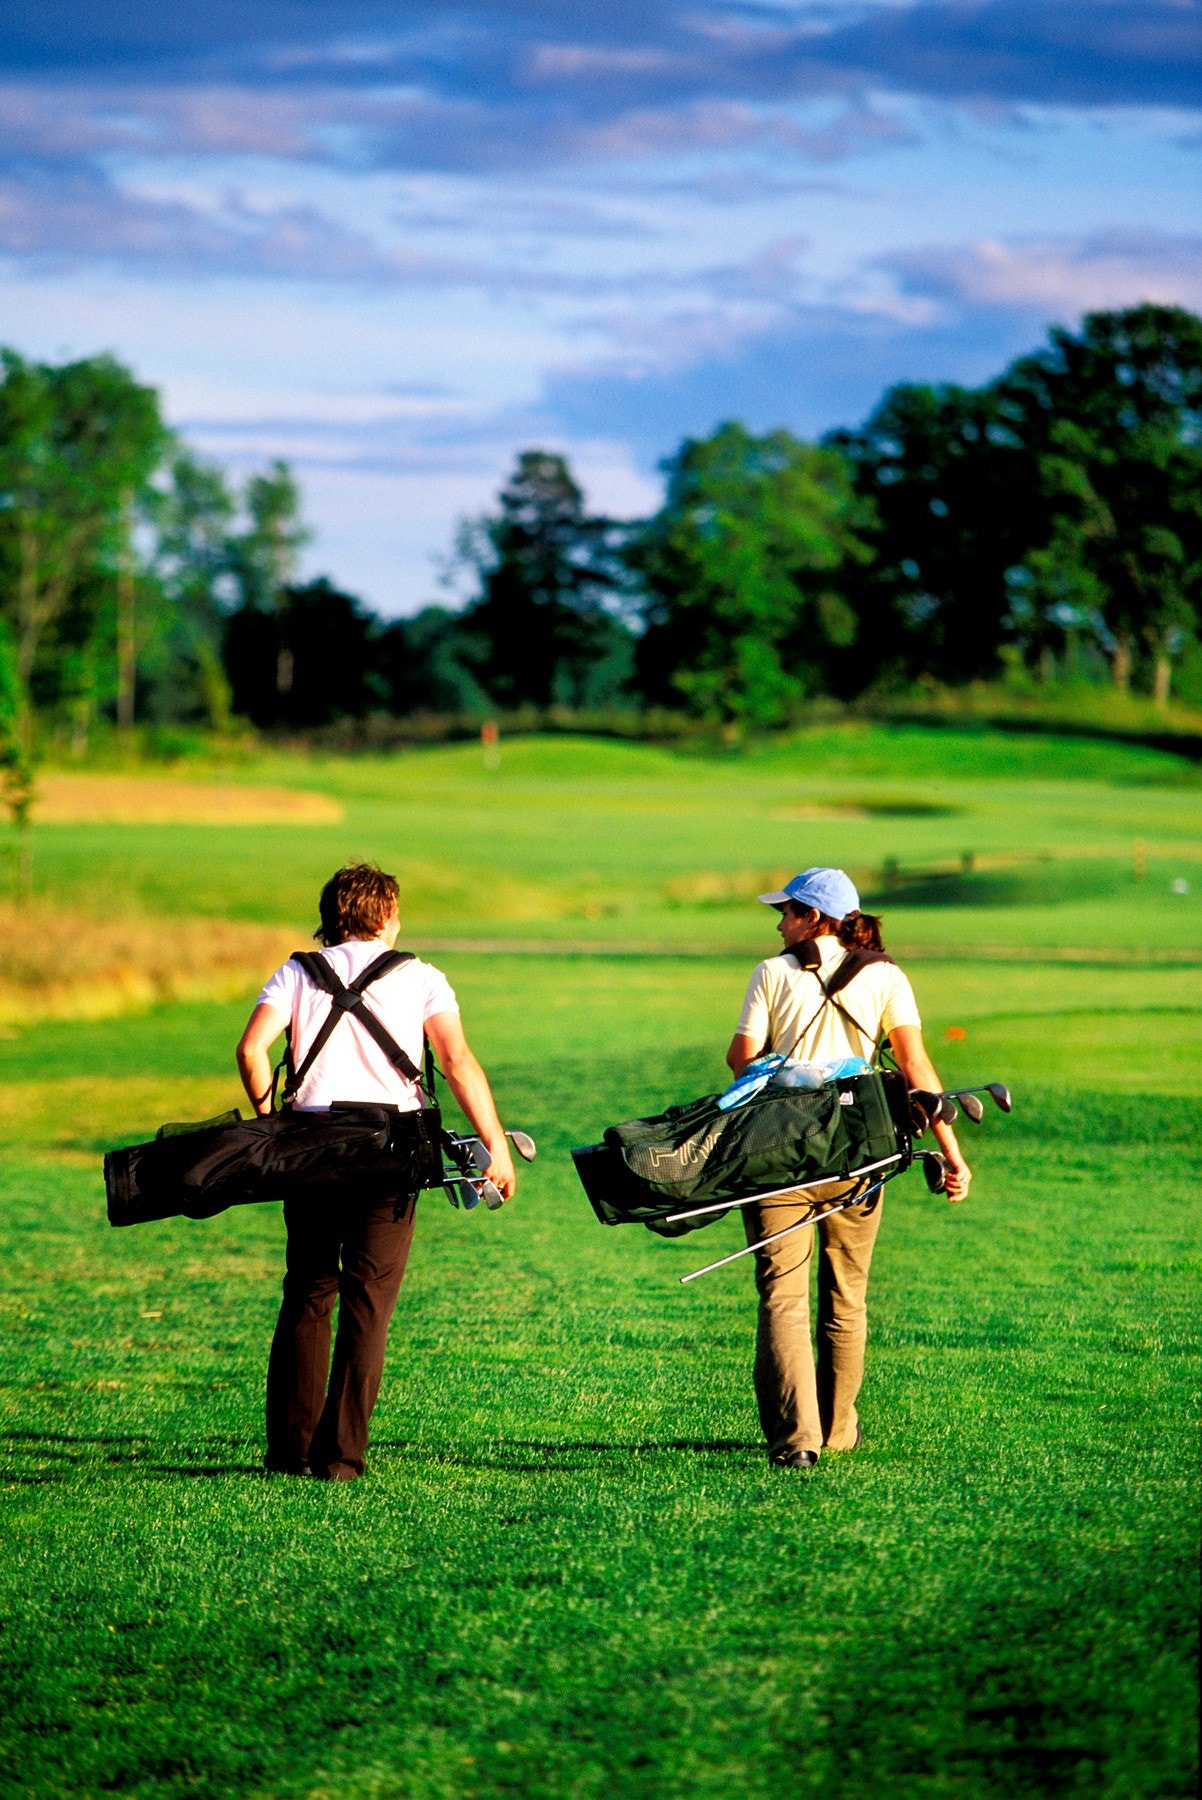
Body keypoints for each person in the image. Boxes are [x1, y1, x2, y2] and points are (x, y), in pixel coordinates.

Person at [236, 861, 516, 1481]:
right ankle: (340, 1458)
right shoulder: (420, 977)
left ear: (331, 917)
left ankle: (288, 1453)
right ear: (388, 915)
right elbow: (456, 1060)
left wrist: (267, 1118)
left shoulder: (295, 971)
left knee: (308, 1294)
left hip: (307, 1149)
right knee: (369, 1304)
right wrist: (494, 1145)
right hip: (391, 1153)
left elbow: (252, 1049)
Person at [725, 866, 970, 1471]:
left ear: (815, 917)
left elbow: (741, 1059)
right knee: (847, 1298)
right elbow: (916, 1065)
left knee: (782, 1299)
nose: (780, 923)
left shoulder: (772, 972)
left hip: (777, 1155)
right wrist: (952, 1150)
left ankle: (796, 1442)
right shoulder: (885, 975)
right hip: (859, 1155)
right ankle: (836, 1431)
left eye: (786, 912)